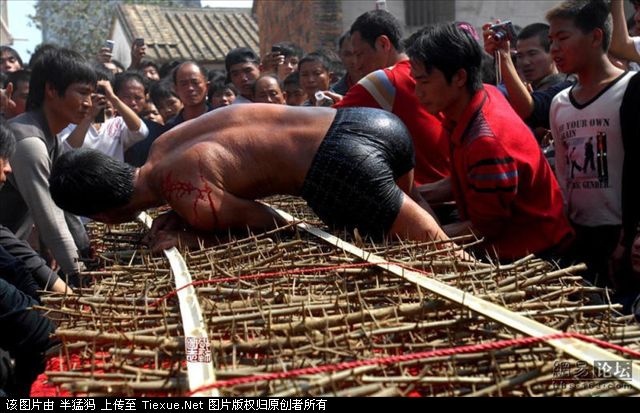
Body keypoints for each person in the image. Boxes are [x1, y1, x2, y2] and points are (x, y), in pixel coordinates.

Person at [50, 105, 453, 253]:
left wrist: (198, 238)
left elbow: (278, 225)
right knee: (417, 242)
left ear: (104, 217)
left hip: (341, 166)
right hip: (370, 122)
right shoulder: (164, 145)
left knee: (443, 255)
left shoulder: (193, 201)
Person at [406, 24, 573, 261]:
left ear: (459, 77)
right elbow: (466, 179)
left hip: (535, 253)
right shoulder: (485, 94)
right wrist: (409, 195)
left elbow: (484, 228)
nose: (417, 92)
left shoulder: (485, 142)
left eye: (424, 82)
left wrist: (413, 238)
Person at [548, 0, 640, 288]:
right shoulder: (559, 103)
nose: (554, 49)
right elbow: (563, 174)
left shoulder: (631, 89)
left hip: (623, 236)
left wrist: (629, 236)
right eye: (551, 41)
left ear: (596, 36)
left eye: (563, 38)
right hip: (578, 235)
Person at [0, 46, 94, 281]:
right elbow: (50, 219)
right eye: (82, 93)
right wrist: (81, 276)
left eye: (91, 95)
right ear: (51, 89)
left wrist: (88, 255)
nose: (88, 103)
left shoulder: (52, 139)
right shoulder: (29, 142)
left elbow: (65, 207)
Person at [334, 10, 450, 187]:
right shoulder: (429, 72)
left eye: (359, 54)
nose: (356, 65)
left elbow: (323, 124)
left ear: (383, 44)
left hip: (421, 194)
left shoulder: (384, 80)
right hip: (450, 187)